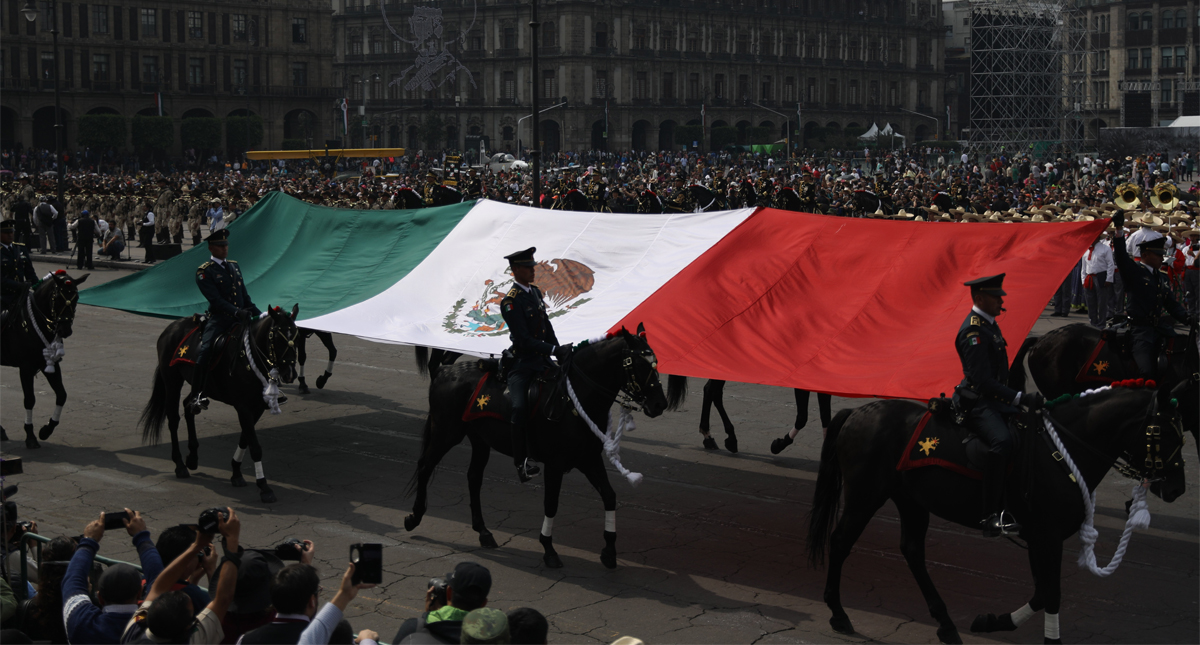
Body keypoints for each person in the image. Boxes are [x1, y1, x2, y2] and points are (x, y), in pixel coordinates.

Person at [953, 274, 1044, 538]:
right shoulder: (973, 331)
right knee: (1001, 441)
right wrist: (1019, 398)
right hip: (979, 401)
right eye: (995, 297)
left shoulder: (988, 324)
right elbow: (982, 382)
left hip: (994, 398)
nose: (1000, 301)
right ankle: (989, 514)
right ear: (980, 298)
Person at [499, 247, 571, 483]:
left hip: (542, 361)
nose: (532, 271)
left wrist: (559, 353)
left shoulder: (536, 293)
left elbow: (546, 327)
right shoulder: (510, 302)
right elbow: (523, 340)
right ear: (515, 270)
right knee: (519, 407)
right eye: (528, 268)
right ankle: (521, 462)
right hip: (522, 363)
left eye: (533, 267)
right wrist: (552, 350)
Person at [121, 507, 240, 644]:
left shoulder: (135, 628)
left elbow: (158, 587)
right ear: (188, 627)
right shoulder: (194, 640)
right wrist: (229, 541)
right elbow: (223, 599)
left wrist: (197, 547)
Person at [187, 228, 262, 415]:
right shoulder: (204, 272)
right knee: (206, 350)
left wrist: (261, 315)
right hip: (220, 319)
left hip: (240, 317)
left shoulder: (234, 266)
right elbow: (216, 300)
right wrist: (237, 312)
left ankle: (270, 386)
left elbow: (244, 296)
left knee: (262, 343)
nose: (225, 249)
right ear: (211, 248)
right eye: (220, 246)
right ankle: (197, 394)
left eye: (226, 245)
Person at [1110, 210, 1193, 379]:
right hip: (1140, 331)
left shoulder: (1161, 276)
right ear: (1145, 255)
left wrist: (1188, 318)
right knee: (1146, 372)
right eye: (1159, 255)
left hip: (1160, 328)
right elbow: (1121, 257)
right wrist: (1119, 230)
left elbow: (1170, 303)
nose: (1162, 259)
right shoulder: (1135, 271)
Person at [62, 509, 165, 644]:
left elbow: (72, 580)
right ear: (140, 593)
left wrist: (89, 541)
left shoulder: (82, 622)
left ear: (100, 597)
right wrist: (142, 537)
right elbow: (159, 581)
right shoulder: (155, 625)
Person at [394, 562, 492, 645]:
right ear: (483, 604)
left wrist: (428, 617)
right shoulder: (491, 639)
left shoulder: (413, 628)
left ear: (449, 592)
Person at [1, 219, 38, 327]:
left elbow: (30, 272)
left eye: (11, 232)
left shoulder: (20, 248)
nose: (10, 235)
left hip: (21, 295)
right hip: (3, 296)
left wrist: (38, 285)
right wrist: (19, 285)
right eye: (6, 233)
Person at [1080, 232, 1114, 328]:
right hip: (1089, 277)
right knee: (1090, 301)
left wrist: (1109, 279)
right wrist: (1083, 280)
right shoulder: (1086, 250)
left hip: (1101, 276)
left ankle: (1101, 323)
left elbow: (1110, 264)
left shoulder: (1105, 249)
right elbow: (1083, 267)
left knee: (1102, 302)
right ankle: (1093, 322)